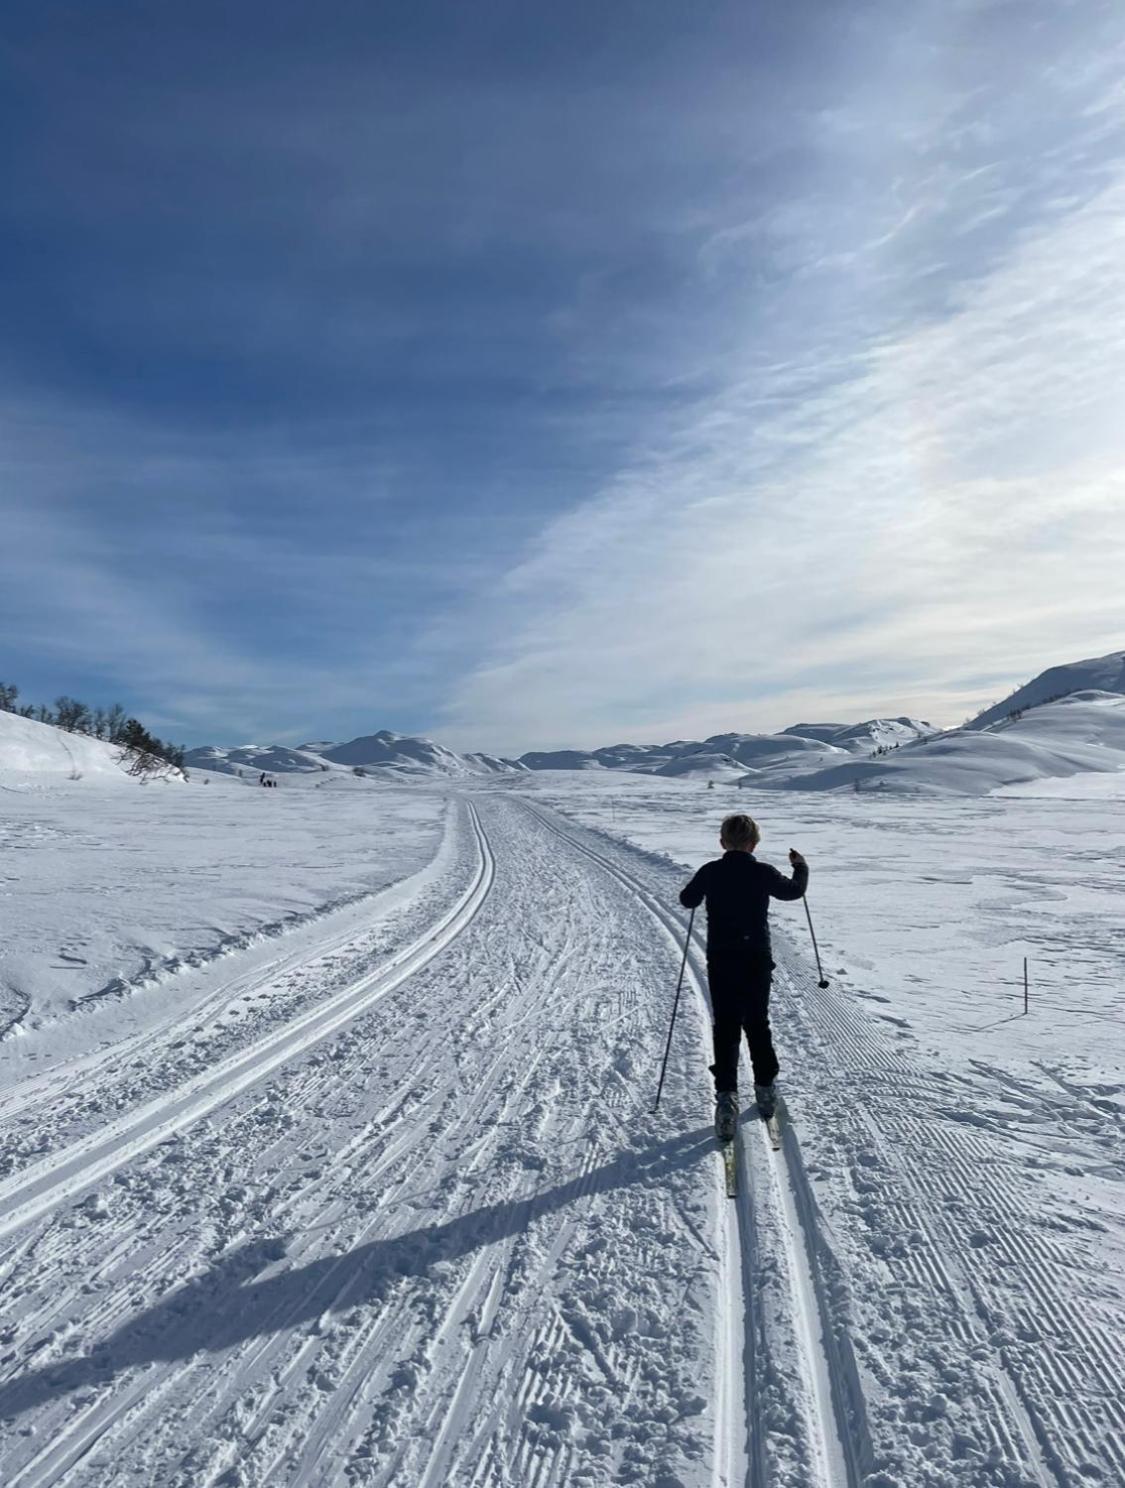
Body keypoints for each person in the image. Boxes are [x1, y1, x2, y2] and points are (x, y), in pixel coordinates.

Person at [679, 813, 808, 1141]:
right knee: (757, 1024)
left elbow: (687, 899)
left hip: (722, 960)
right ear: (754, 843)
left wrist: (703, 891)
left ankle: (726, 1098)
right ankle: (765, 1090)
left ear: (722, 842)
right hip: (756, 960)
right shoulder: (762, 872)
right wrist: (801, 866)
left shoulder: (712, 870)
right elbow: (793, 892)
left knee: (725, 1027)